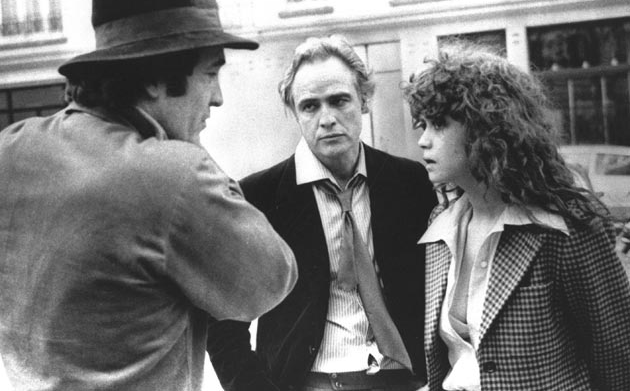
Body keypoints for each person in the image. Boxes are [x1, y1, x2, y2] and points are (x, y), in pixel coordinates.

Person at [0, 0, 298, 390]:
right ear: (160, 76)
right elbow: (270, 281)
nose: (217, 97)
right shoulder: (173, 174)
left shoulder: (11, 148)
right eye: (211, 73)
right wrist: (190, 146)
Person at [207, 35, 437, 391]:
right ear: (294, 112)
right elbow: (222, 319)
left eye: (339, 100)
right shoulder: (258, 196)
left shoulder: (409, 181)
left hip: (402, 379)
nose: (326, 118)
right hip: (306, 381)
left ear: (365, 100)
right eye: (310, 106)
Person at [404, 41, 630, 391]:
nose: (423, 141)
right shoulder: (441, 225)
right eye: (422, 125)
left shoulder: (564, 228)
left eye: (438, 125)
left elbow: (618, 359)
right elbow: (458, 361)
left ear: (484, 128)